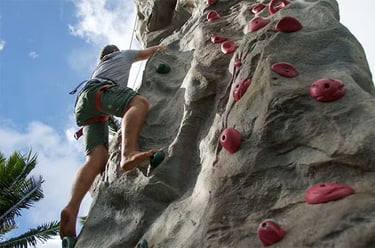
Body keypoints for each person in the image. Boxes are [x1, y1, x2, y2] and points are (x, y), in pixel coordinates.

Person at [60, 43, 167, 239]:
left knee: (96, 158)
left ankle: (72, 208)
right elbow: (148, 52)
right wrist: (162, 46)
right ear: (115, 52)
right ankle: (129, 153)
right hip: (100, 91)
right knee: (137, 103)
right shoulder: (122, 55)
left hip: (85, 105)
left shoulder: (99, 66)